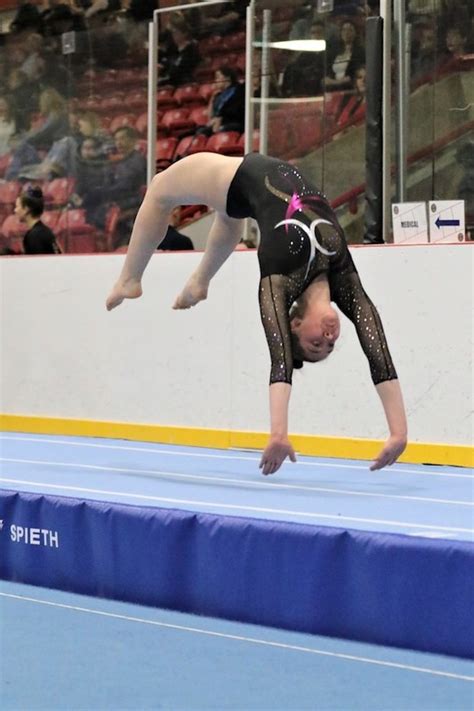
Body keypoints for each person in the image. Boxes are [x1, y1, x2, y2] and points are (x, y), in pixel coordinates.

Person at [106, 152, 407, 475]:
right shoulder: (342, 276)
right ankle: (199, 282)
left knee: (160, 188)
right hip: (252, 189)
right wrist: (399, 432)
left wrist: (278, 434)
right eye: (329, 346)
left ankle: (130, 279)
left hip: (241, 174)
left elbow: (280, 363)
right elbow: (377, 350)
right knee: (227, 212)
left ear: (296, 323)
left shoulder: (278, 279)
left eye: (316, 344)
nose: (329, 339)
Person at [15, 186, 62, 255]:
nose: (15, 210)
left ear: (26, 209)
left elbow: (37, 264)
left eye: (17, 206)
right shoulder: (44, 231)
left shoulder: (35, 236)